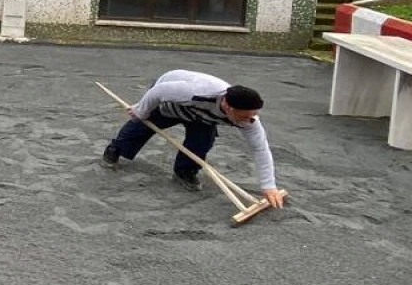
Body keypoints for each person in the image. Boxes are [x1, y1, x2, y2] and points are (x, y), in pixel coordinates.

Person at [101, 70, 287, 209]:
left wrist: (269, 186)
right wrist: (141, 110)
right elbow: (159, 91)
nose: (249, 120)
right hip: (170, 102)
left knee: (202, 141)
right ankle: (116, 149)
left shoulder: (249, 119)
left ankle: (185, 172)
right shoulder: (195, 92)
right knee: (142, 124)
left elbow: (260, 149)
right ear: (227, 106)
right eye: (244, 115)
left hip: (203, 118)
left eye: (252, 115)